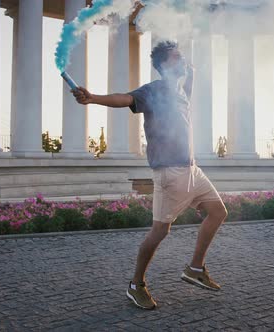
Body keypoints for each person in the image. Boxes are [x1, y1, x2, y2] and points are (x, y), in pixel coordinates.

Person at [72, 41, 228, 309]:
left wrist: (190, 61)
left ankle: (195, 268)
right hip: (169, 171)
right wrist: (94, 97)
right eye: (177, 58)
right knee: (159, 231)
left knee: (218, 212)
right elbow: (125, 98)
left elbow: (193, 72)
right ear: (165, 65)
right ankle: (136, 284)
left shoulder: (181, 93)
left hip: (193, 169)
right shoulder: (153, 91)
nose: (183, 61)